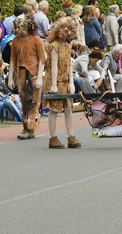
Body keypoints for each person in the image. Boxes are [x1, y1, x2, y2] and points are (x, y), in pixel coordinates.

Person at [7, 14, 46, 140]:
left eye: (19, 27)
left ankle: (30, 127)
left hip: (34, 74)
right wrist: (10, 78)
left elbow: (42, 59)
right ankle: (26, 126)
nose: (17, 30)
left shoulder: (36, 40)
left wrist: (39, 77)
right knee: (23, 99)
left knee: (34, 101)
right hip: (21, 74)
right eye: (16, 27)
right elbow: (12, 59)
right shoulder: (16, 41)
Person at [44, 18, 80, 149]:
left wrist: (71, 82)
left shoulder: (67, 46)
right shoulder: (54, 45)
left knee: (68, 108)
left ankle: (71, 136)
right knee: (54, 108)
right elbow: (53, 65)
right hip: (55, 79)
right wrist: (53, 84)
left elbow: (70, 65)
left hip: (65, 79)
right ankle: (52, 137)